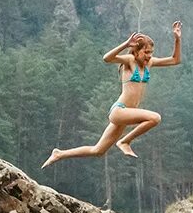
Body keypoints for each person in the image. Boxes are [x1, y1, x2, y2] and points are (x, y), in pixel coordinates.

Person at [42, 21, 182, 168]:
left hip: (126, 114)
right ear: (136, 51)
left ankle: (59, 154)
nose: (148, 56)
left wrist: (177, 39)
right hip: (119, 110)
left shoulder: (149, 63)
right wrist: (126, 44)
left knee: (98, 150)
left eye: (150, 53)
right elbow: (107, 58)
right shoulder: (130, 61)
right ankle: (124, 141)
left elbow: (175, 60)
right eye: (145, 52)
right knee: (155, 118)